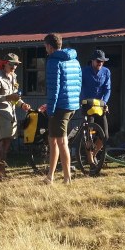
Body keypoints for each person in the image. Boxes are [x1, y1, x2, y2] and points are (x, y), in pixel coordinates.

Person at [0, 54, 31, 180]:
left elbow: (15, 97)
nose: (14, 67)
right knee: (3, 143)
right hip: (0, 114)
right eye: (11, 64)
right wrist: (7, 97)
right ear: (4, 63)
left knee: (6, 145)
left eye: (16, 64)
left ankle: (2, 173)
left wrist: (22, 105)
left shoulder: (13, 77)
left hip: (11, 115)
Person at [44, 33, 81, 185]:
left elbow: (54, 88)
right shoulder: (74, 60)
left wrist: (50, 109)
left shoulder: (53, 61)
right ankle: (50, 176)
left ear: (49, 46)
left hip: (60, 106)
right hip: (71, 104)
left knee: (61, 141)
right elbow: (78, 83)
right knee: (52, 139)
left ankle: (67, 178)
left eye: (45, 46)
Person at [81, 49, 112, 136]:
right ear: (92, 60)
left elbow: (107, 89)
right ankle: (87, 143)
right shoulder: (84, 72)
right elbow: (78, 86)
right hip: (88, 105)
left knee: (105, 135)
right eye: (98, 61)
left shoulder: (106, 71)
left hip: (100, 105)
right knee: (89, 134)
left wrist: (104, 102)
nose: (100, 63)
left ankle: (98, 145)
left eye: (102, 61)